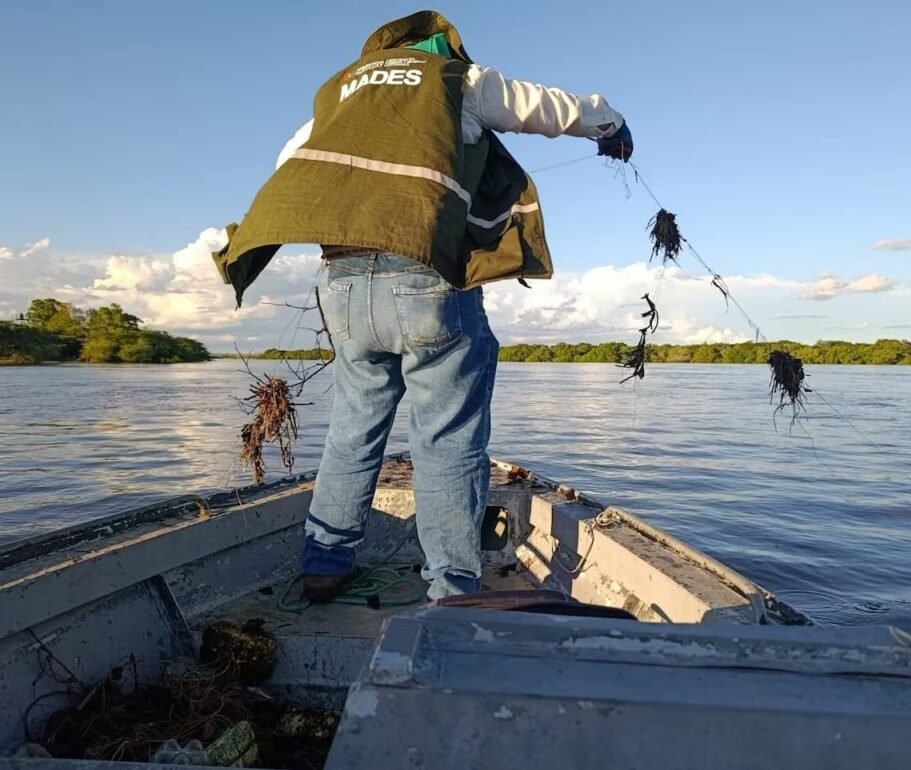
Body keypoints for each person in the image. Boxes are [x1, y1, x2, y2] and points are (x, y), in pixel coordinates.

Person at [212, 10, 632, 602]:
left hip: (344, 286)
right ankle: (451, 584)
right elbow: (550, 106)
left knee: (353, 428)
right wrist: (609, 125)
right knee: (449, 437)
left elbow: (291, 167)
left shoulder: (335, 98)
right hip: (426, 277)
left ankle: (325, 563)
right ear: (439, 48)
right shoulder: (455, 79)